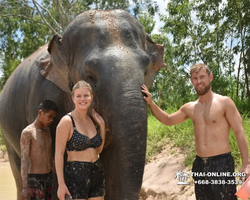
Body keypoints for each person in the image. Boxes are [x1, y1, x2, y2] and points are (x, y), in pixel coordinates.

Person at [141, 63, 250, 200]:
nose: (199, 81)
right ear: (192, 81)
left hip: (221, 164)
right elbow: (168, 119)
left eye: (202, 77)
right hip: (199, 165)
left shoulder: (224, 103)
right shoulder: (190, 108)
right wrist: (151, 103)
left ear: (210, 77)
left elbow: (239, 131)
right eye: (195, 78)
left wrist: (246, 164)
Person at [55, 80, 105, 200]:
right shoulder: (67, 121)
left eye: (86, 95)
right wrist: (61, 184)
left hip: (96, 172)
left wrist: (102, 126)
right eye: (79, 96)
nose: (83, 99)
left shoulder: (92, 120)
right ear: (73, 98)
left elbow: (99, 149)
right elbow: (59, 154)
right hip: (76, 174)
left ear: (91, 97)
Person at [20, 100, 58, 200]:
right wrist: (25, 187)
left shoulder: (47, 131)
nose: (51, 120)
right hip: (35, 179)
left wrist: (61, 177)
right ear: (40, 113)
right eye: (49, 116)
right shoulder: (28, 132)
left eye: (53, 117)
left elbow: (50, 158)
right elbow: (24, 160)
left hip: (49, 177)